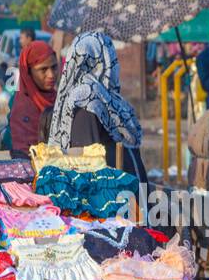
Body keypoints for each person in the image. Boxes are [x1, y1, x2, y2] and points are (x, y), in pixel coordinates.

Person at [46, 32, 147, 184]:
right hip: (113, 194)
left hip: (126, 190)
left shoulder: (105, 98)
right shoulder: (87, 100)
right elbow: (89, 163)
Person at [7, 39, 58, 155]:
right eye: (43, 69)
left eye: (54, 67)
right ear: (28, 73)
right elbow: (24, 153)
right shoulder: (22, 108)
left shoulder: (59, 99)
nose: (51, 75)